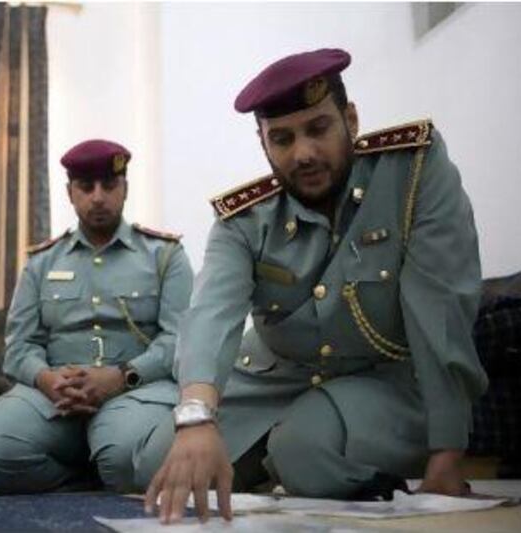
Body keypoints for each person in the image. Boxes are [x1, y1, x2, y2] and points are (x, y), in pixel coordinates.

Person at [137, 48, 488, 523]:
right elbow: (211, 314)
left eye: (318, 129)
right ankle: (265, 461)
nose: (303, 153)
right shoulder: (245, 219)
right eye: (282, 139)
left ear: (351, 119)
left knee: (304, 453)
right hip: (280, 376)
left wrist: (447, 453)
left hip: (387, 379)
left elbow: (440, 309)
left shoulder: (413, 170)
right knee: (153, 463)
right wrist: (197, 417)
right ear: (264, 146)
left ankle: (281, 457)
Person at [0, 139, 194, 494]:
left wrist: (121, 377)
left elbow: (179, 340)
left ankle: (104, 469)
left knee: (125, 461)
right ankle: (82, 482)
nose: (98, 197)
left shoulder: (164, 255)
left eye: (109, 185)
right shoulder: (42, 262)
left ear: (125, 189)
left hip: (136, 391)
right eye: (86, 187)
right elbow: (20, 347)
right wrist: (46, 380)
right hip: (56, 396)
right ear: (70, 193)